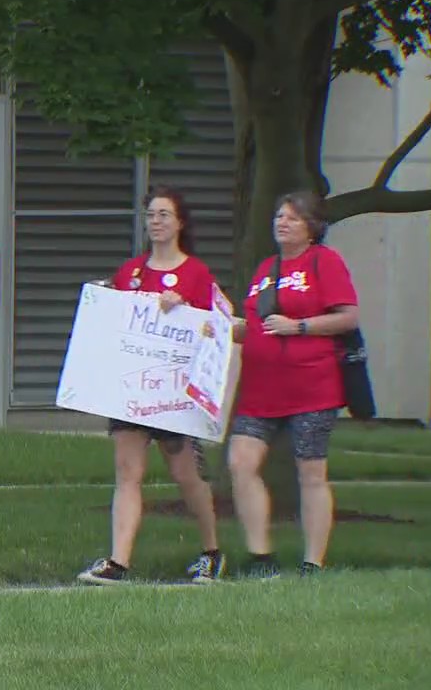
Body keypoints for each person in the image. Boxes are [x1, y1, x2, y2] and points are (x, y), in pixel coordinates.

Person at [76, 186, 225, 586]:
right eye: (151, 215)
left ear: (180, 222)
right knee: (128, 471)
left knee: (185, 474)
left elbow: (213, 327)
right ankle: (118, 561)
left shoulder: (196, 273)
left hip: (174, 394)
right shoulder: (132, 272)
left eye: (164, 215)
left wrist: (184, 308)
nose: (156, 222)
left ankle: (211, 551)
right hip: (132, 392)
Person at [219, 190, 360, 579]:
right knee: (241, 462)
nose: (282, 222)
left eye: (292, 218)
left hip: (312, 387)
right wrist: (232, 330)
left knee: (310, 472)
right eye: (279, 216)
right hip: (261, 389)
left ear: (312, 227)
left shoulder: (324, 262)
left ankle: (313, 561)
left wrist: (300, 326)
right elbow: (256, 327)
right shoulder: (266, 268)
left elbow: (347, 317)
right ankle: (260, 556)